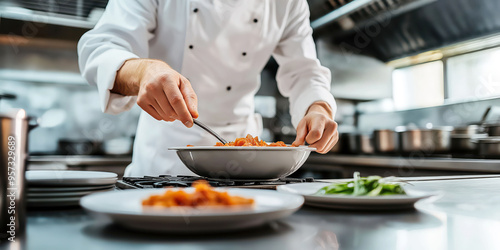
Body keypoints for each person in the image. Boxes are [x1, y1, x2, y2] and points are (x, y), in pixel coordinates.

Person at [78, 0, 339, 177]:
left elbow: (304, 69)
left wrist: (317, 107)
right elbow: (100, 48)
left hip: (246, 158)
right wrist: (144, 72)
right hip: (167, 157)